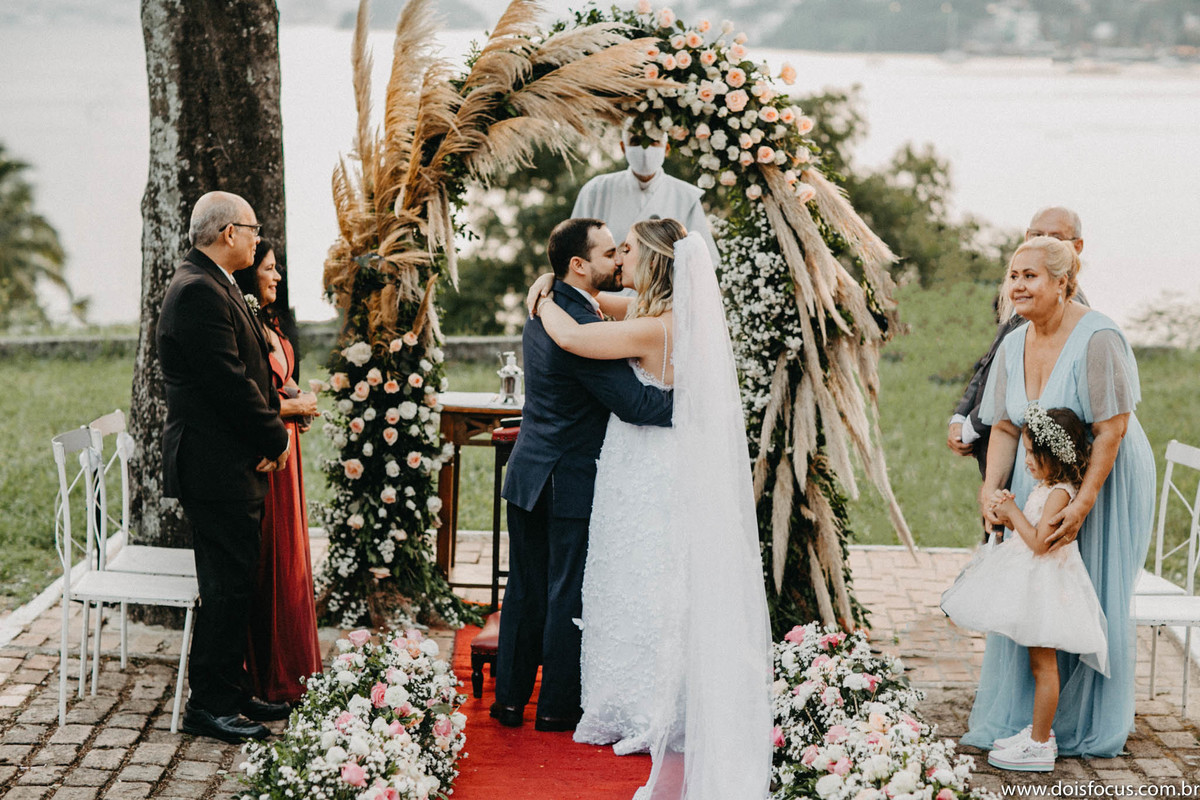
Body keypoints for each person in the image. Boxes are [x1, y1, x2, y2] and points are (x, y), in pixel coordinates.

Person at [531, 220, 773, 798]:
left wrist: (541, 300)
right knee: (637, 576)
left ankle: (654, 703)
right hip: (641, 461)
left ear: (657, 261)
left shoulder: (657, 327)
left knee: (652, 579)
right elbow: (598, 299)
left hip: (654, 465)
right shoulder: (650, 305)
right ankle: (643, 695)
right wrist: (551, 276)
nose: (620, 257)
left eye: (630, 250)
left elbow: (574, 337)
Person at [960, 236, 1155, 758]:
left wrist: (1082, 504)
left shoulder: (1098, 337)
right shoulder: (1013, 342)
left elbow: (1112, 430)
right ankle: (1027, 720)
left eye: (1031, 276)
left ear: (1063, 283)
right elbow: (1002, 424)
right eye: (1014, 275)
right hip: (1035, 481)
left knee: (1080, 593)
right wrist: (992, 488)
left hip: (1097, 478)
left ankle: (1082, 719)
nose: (1017, 285)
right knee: (1032, 596)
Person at [492, 218, 675, 733]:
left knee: (525, 589)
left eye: (623, 252)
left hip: (529, 470)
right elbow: (636, 402)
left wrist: (544, 285)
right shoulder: (581, 328)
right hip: (566, 477)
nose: (618, 260)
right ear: (579, 264)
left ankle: (509, 701)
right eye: (608, 253)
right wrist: (698, 404)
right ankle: (554, 707)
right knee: (565, 590)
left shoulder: (554, 308)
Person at [159, 191, 293, 742]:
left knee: (238, 581)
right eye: (253, 228)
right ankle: (208, 705)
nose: (259, 238)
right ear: (227, 232)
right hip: (213, 464)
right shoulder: (197, 291)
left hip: (227, 459)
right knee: (225, 587)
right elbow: (227, 384)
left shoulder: (214, 282)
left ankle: (232, 691)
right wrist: (274, 435)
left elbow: (248, 370)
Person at [942, 404, 1108, 772]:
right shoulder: (1047, 487)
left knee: (1044, 667)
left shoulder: (1060, 493)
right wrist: (1007, 515)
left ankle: (1038, 745)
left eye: (1034, 454)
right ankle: (1039, 733)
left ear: (1056, 456)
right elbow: (1031, 532)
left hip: (1047, 589)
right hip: (1035, 584)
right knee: (1038, 663)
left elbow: (1040, 543)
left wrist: (1013, 513)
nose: (1027, 459)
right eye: (1028, 451)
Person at [234, 240, 323, 704]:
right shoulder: (244, 322)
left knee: (289, 558)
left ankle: (291, 665)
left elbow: (279, 384)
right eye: (269, 268)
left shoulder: (268, 321)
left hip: (288, 449)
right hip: (267, 455)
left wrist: (298, 407)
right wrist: (293, 406)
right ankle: (265, 673)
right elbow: (249, 395)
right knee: (269, 558)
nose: (277, 276)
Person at [948, 207, 1087, 479]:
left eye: (1056, 237)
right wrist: (958, 417)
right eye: (1037, 234)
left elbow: (1019, 385)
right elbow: (990, 363)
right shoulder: (1022, 292)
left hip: (1029, 453)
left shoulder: (1062, 305)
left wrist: (969, 429)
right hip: (996, 440)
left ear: (1077, 246)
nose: (1043, 242)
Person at [572, 127, 720, 268]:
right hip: (604, 292)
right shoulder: (596, 190)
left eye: (654, 141)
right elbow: (572, 249)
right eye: (636, 141)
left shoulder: (686, 196)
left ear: (666, 148)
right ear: (623, 147)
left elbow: (704, 260)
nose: (645, 149)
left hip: (665, 293)